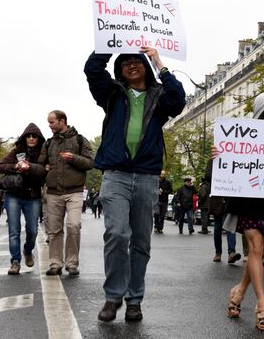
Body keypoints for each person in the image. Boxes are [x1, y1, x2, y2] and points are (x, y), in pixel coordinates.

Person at [84, 46, 186, 322]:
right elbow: (92, 69)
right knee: (117, 233)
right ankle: (113, 296)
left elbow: (179, 100)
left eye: (136, 61)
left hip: (146, 176)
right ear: (120, 69)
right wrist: (108, 42)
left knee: (140, 242)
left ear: (145, 65)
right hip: (115, 174)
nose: (131, 65)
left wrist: (159, 63)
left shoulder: (161, 96)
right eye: (125, 62)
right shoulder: (112, 93)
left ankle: (134, 300)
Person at [223, 92, 264, 332]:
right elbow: (230, 157)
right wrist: (221, 155)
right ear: (261, 109)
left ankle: (238, 292)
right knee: (256, 249)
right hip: (248, 197)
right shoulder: (245, 132)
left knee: (261, 251)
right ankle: (262, 305)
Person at [38, 110, 93, 277]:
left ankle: (72, 263)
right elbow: (41, 164)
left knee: (74, 225)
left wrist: (74, 158)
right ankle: (55, 264)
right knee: (54, 230)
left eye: (52, 122)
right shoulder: (48, 143)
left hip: (74, 191)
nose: (49, 125)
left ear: (62, 121)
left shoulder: (80, 139)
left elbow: (91, 162)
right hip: (53, 192)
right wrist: (44, 168)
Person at [0, 123, 46, 275]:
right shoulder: (17, 150)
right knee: (14, 230)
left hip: (33, 196)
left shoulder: (43, 153)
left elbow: (44, 171)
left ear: (39, 138)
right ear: (24, 138)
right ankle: (15, 262)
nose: (31, 139)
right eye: (28, 136)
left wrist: (31, 167)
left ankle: (27, 250)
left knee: (32, 231)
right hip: (14, 195)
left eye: (34, 136)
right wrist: (15, 166)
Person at [203, 159, 241, 263]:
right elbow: (207, 176)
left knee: (230, 227)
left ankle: (231, 253)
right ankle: (218, 253)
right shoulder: (212, 161)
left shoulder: (234, 159)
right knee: (218, 227)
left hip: (230, 198)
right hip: (217, 200)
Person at [153, 170, 173, 234]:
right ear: (160, 175)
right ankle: (156, 227)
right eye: (162, 174)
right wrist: (157, 191)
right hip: (157, 200)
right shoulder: (156, 182)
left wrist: (163, 191)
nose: (163, 175)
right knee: (157, 214)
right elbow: (152, 189)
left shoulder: (168, 182)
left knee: (162, 215)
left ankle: (160, 228)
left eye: (164, 174)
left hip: (164, 201)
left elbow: (170, 190)